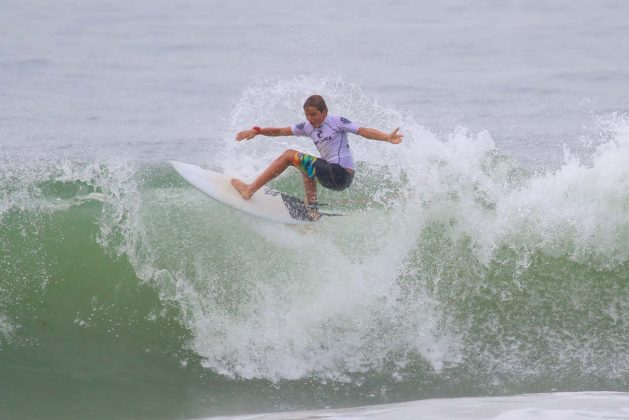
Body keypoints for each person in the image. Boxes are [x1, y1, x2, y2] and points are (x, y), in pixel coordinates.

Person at [231, 95, 403, 218]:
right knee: (305, 164)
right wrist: (257, 131)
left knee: (290, 155)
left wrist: (387, 137)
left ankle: (249, 190)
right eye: (307, 114)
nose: (310, 118)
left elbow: (363, 131)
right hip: (333, 176)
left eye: (313, 114)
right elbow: (279, 131)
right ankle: (312, 210)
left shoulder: (337, 122)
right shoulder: (307, 127)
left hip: (341, 174)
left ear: (324, 112)